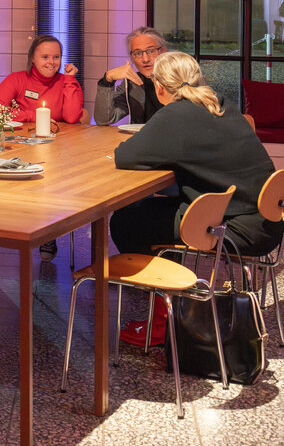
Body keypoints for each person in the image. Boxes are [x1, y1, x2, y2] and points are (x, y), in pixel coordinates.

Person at [112, 51, 284, 346]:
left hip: (232, 229)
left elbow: (125, 156)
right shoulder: (220, 103)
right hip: (267, 222)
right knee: (162, 212)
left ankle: (163, 319)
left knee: (127, 220)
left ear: (160, 87)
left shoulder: (176, 113)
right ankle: (171, 305)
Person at [0, 34, 84, 124]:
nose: (51, 62)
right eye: (45, 57)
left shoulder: (68, 82)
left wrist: (70, 79)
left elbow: (72, 118)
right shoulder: (16, 79)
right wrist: (34, 116)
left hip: (58, 137)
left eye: (56, 57)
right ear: (32, 58)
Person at [93, 26, 168, 126]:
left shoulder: (181, 79)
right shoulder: (132, 83)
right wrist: (107, 81)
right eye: (138, 53)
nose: (145, 59)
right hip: (142, 139)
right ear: (132, 58)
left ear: (163, 51)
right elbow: (104, 119)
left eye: (151, 51)